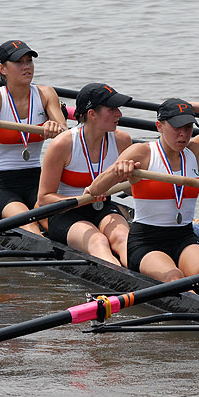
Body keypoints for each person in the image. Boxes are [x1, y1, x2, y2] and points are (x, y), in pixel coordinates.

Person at [87, 98, 199, 287]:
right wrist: (117, 171)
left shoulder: (196, 151)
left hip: (184, 236)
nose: (183, 135)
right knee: (174, 277)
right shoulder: (141, 152)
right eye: (177, 127)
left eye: (188, 127)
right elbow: (94, 190)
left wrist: (188, 106)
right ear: (159, 126)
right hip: (146, 241)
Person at [0, 40, 66, 234]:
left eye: (29, 61)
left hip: (37, 180)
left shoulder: (45, 94)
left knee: (58, 225)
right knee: (29, 225)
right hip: (1, 184)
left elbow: (65, 133)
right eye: (19, 62)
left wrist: (55, 127)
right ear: (2, 68)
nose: (27, 67)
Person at [37, 83, 133, 266]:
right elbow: (43, 199)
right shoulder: (62, 145)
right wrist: (83, 198)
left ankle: (151, 283)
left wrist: (134, 180)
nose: (119, 114)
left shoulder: (122, 140)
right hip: (64, 213)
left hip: (102, 207)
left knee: (124, 238)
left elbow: (132, 191)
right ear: (92, 114)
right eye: (112, 109)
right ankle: (124, 286)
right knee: (98, 241)